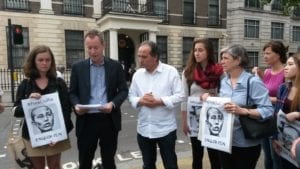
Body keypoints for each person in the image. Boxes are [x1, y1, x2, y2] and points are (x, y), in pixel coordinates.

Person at [69, 29, 128, 169]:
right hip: (86, 120)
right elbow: (72, 93)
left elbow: (124, 91)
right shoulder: (78, 68)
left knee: (108, 161)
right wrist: (76, 106)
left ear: (103, 46)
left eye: (96, 47)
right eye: (89, 48)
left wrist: (113, 104)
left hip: (108, 119)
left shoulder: (115, 66)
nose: (92, 51)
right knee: (84, 161)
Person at [13, 45, 73, 169]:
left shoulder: (59, 83)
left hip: (56, 137)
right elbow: (16, 111)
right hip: (32, 137)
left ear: (52, 62)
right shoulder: (25, 85)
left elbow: (66, 111)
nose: (44, 63)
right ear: (33, 62)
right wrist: (28, 102)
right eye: (40, 60)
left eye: (48, 60)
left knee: (55, 166)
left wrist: (61, 133)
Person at [128, 41, 183, 169]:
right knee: (148, 165)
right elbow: (131, 97)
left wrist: (159, 101)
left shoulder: (170, 72)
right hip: (144, 128)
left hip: (166, 129)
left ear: (155, 57)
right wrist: (142, 100)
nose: (140, 60)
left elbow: (180, 95)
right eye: (139, 56)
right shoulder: (137, 75)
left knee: (170, 165)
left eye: (144, 56)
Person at [218, 44, 273, 169]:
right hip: (224, 141)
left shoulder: (253, 82)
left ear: (238, 60)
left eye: (226, 58)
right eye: (222, 58)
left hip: (246, 143)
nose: (222, 62)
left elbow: (268, 110)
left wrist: (243, 111)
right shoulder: (224, 81)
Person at [181, 38, 223, 169]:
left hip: (213, 119)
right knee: (197, 155)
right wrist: (184, 121)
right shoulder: (187, 72)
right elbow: (184, 98)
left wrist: (212, 96)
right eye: (195, 50)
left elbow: (225, 94)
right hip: (195, 120)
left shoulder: (219, 72)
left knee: (214, 155)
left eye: (200, 50)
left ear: (209, 52)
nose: (197, 53)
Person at [252, 41, 287, 169]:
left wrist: (267, 99)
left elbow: (285, 99)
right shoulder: (266, 72)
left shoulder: (285, 73)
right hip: (264, 117)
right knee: (267, 154)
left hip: (276, 118)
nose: (264, 56)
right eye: (264, 53)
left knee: (276, 156)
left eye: (268, 53)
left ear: (278, 55)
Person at [272, 53, 300, 169]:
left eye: (290, 64)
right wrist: (275, 138)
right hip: (284, 141)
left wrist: (298, 114)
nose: (286, 67)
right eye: (286, 64)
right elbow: (277, 115)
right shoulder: (283, 88)